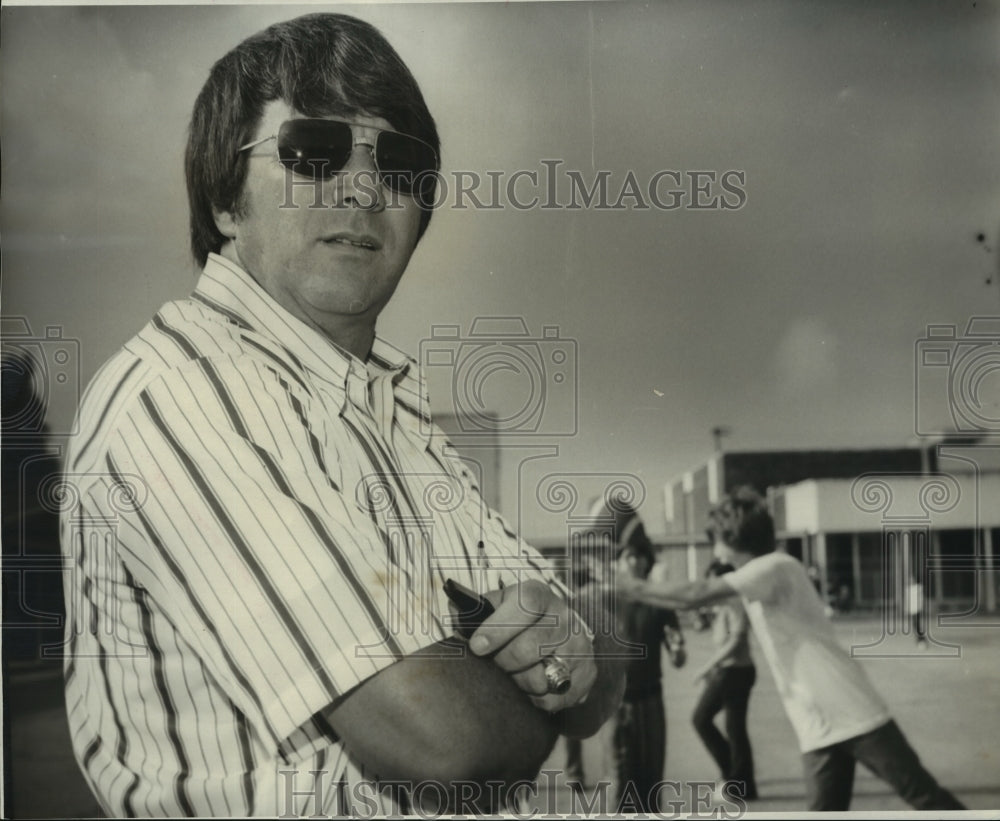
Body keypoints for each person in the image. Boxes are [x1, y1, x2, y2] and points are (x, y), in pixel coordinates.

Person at [59, 14, 625, 817]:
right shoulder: (181, 392)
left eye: (399, 163)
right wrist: (558, 676)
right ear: (225, 198)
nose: (363, 186)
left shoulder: (391, 409)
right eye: (312, 152)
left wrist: (570, 641)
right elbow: (447, 748)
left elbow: (597, 656)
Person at [616, 486, 965, 812]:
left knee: (925, 798)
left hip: (855, 713)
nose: (716, 551)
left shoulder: (774, 567)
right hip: (816, 725)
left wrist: (629, 586)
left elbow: (695, 594)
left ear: (734, 538)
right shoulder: (761, 575)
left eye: (716, 541)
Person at [580, 497, 685, 814]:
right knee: (619, 785)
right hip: (615, 705)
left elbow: (679, 655)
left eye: (642, 557)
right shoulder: (595, 598)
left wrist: (678, 650)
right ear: (616, 560)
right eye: (629, 557)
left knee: (651, 788)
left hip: (652, 702)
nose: (637, 563)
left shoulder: (659, 602)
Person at [689, 562, 757, 801]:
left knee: (707, 720)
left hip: (735, 673)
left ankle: (738, 782)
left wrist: (706, 667)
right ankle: (738, 779)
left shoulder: (735, 602)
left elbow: (735, 641)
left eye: (713, 581)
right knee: (731, 727)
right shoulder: (725, 605)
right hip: (729, 672)